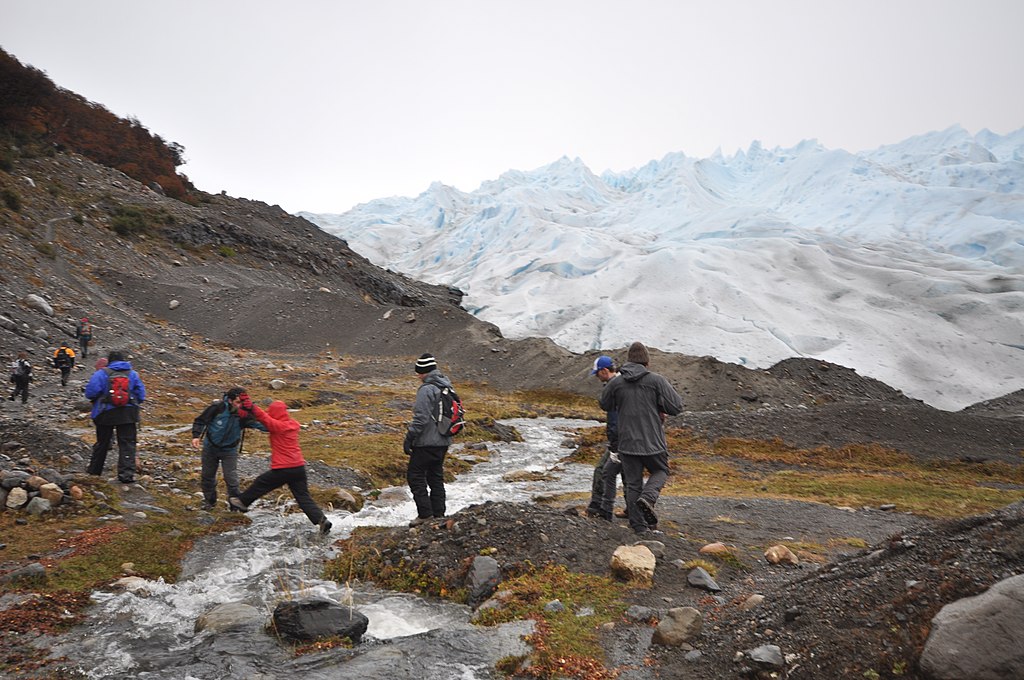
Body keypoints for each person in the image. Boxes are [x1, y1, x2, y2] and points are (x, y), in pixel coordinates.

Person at [599, 342, 683, 536]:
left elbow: (605, 404)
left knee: (633, 483)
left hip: (627, 443)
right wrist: (659, 405)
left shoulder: (616, 383)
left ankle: (639, 528)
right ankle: (648, 498)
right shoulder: (657, 381)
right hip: (653, 441)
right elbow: (676, 407)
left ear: (629, 360)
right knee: (660, 470)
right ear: (647, 361)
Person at [229, 395, 332, 535]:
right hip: (298, 468)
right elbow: (265, 419)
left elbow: (265, 418)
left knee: (261, 482)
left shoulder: (278, 426)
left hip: (284, 468)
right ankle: (322, 521)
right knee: (303, 497)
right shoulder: (291, 424)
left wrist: (252, 407)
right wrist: (248, 413)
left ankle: (241, 502)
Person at [191, 386, 266, 511]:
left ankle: (235, 506)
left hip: (229, 451)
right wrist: (196, 436)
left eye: (243, 402)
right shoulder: (217, 408)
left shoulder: (244, 415)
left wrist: (278, 426)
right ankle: (210, 502)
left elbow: (263, 425)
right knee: (207, 476)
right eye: (238, 402)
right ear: (230, 400)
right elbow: (200, 420)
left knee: (231, 479)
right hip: (210, 448)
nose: (240, 405)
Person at [403, 353, 455, 527]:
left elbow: (421, 418)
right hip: (444, 441)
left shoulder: (427, 389)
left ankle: (425, 515)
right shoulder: (446, 386)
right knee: (435, 477)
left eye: (419, 372)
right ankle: (439, 513)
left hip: (426, 442)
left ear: (424, 371)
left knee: (415, 475)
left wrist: (410, 437)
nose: (418, 376)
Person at [85, 350, 146, 483]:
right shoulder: (133, 374)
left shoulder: (101, 373)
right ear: (124, 360)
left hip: (105, 413)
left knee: (103, 443)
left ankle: (94, 472)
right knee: (127, 444)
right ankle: (126, 475)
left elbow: (90, 392)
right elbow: (141, 395)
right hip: (128, 414)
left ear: (109, 361)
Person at [585, 355, 623, 521]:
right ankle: (633, 510)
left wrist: (614, 444)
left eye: (597, 374)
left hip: (621, 439)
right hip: (633, 437)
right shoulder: (626, 382)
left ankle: (598, 508)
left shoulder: (614, 387)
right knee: (629, 475)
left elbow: (615, 417)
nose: (597, 378)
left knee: (603, 470)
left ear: (604, 371)